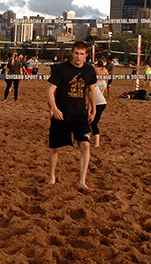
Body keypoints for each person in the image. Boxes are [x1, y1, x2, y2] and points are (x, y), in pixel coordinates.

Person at [46, 41, 97, 191]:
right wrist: (54, 108)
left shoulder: (89, 71)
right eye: (76, 53)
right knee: (55, 148)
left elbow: (91, 91)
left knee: (85, 146)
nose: (78, 57)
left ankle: (82, 181)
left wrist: (93, 110)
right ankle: (52, 176)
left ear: (86, 55)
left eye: (81, 54)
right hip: (61, 114)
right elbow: (50, 90)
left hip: (80, 114)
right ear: (72, 53)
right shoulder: (62, 69)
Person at [90, 60, 109, 148]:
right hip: (103, 84)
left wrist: (91, 111)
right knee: (91, 122)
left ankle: (96, 143)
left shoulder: (89, 85)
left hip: (99, 103)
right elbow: (107, 76)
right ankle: (90, 138)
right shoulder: (104, 69)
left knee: (92, 122)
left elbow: (90, 99)